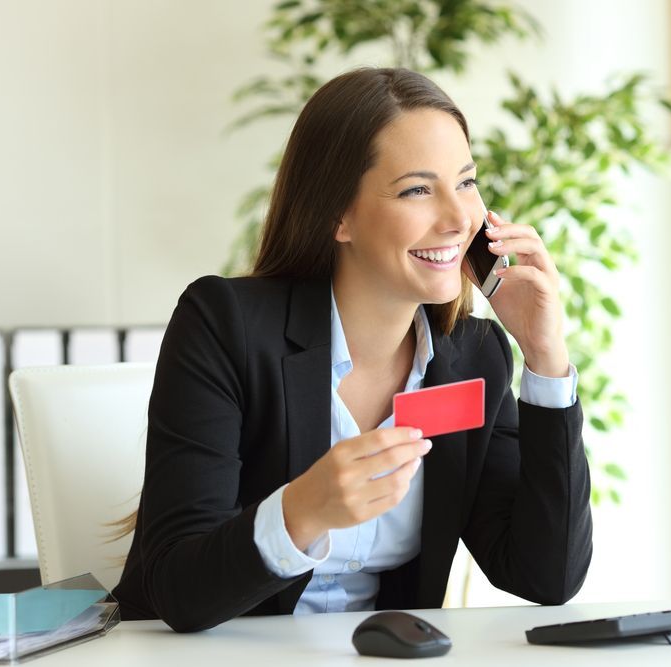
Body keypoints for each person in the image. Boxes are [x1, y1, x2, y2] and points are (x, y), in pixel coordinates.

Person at [112, 67, 593, 633]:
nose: (459, 218)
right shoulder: (224, 325)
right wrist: (302, 511)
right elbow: (177, 590)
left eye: (466, 182)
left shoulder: (473, 357)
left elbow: (547, 576)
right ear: (338, 214)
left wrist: (545, 358)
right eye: (418, 189)